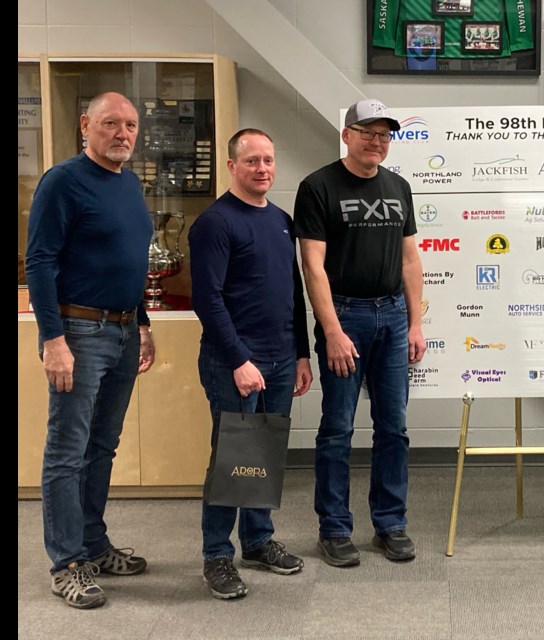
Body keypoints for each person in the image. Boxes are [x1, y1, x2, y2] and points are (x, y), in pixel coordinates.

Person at [25, 91, 157, 609]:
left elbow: (129, 261)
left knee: (102, 447)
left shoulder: (129, 183)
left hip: (123, 331)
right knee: (67, 451)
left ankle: (93, 545)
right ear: (86, 125)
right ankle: (66, 563)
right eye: (110, 124)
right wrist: (53, 340)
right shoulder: (63, 181)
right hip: (78, 334)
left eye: (129, 125)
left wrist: (141, 323)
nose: (122, 133)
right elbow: (40, 262)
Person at [294, 99, 425, 567]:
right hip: (345, 315)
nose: (376, 141)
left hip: (392, 317)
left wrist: (414, 322)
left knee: (394, 427)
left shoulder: (399, 187)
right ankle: (334, 528)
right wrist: (330, 330)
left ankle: (390, 523)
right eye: (367, 131)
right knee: (337, 428)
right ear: (346, 134)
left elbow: (410, 260)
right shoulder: (318, 187)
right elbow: (313, 266)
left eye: (384, 134)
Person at [189, 129, 313, 599]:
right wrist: (240, 359)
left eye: (268, 160)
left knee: (262, 453)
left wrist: (301, 353)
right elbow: (208, 300)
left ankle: (258, 541)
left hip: (281, 360)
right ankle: (216, 555)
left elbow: (292, 295)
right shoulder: (215, 223)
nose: (262, 168)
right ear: (231, 166)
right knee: (232, 458)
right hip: (234, 363)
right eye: (252, 161)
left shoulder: (281, 220)